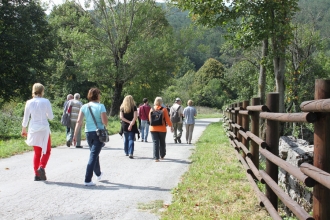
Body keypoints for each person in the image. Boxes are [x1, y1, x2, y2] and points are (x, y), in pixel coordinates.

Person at [73, 88, 108, 186]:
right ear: (97, 95)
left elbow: (79, 122)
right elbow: (105, 122)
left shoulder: (84, 106)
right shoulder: (101, 106)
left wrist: (75, 135)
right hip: (98, 134)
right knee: (93, 155)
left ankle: (98, 174)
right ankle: (87, 179)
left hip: (88, 133)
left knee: (94, 153)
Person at [21, 83, 54, 181]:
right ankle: (42, 167)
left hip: (33, 128)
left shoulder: (29, 102)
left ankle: (36, 175)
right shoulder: (46, 101)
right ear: (42, 91)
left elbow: (26, 117)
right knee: (47, 151)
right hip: (44, 129)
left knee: (37, 152)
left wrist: (23, 129)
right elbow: (51, 117)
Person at [149, 97, 173, 162]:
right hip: (162, 129)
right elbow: (167, 119)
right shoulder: (164, 109)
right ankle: (162, 155)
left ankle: (156, 158)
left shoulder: (152, 109)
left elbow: (150, 119)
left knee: (155, 142)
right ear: (161, 102)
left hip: (153, 128)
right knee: (162, 142)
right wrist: (171, 126)